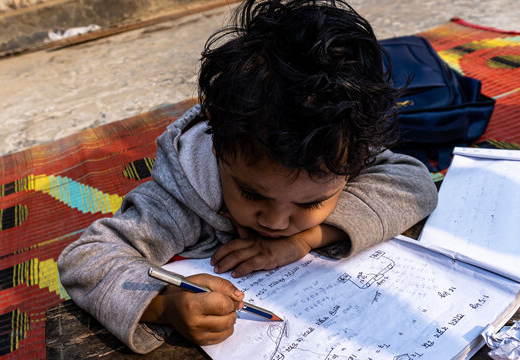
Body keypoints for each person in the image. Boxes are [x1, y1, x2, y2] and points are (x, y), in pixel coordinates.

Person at [58, 0, 438, 354]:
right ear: (216, 147)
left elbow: (414, 185)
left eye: (309, 203)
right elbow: (84, 259)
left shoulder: (335, 146)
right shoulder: (180, 200)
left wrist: (306, 240)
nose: (275, 222)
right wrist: (164, 306)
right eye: (251, 194)